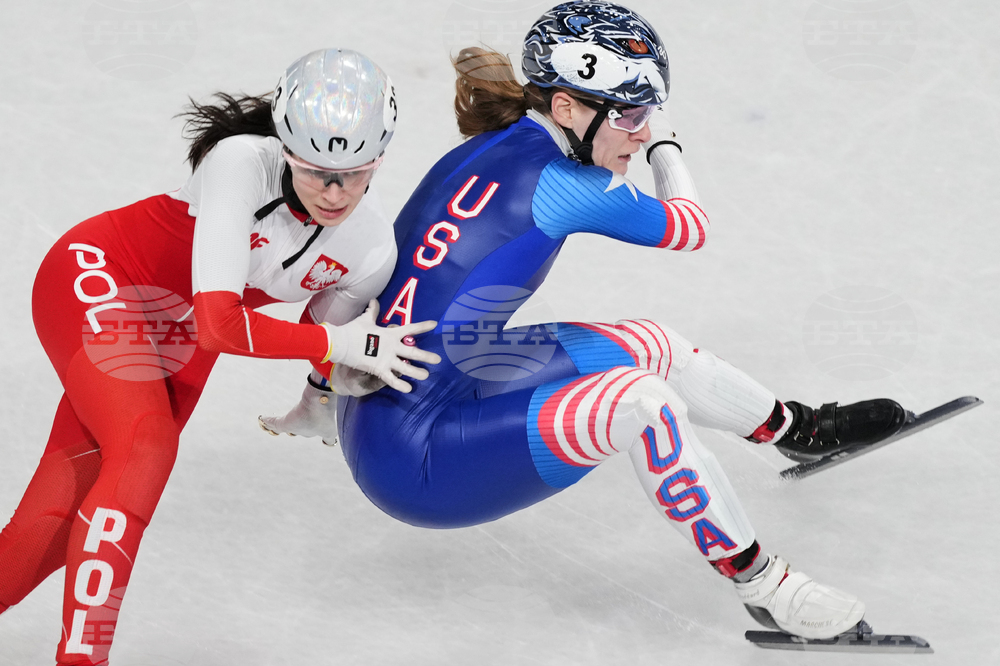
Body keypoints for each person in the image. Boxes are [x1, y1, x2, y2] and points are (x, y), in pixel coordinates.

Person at [262, 1, 907, 641]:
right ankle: (766, 586)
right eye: (629, 113)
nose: (638, 128)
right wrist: (667, 142)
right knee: (645, 404)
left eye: (645, 114)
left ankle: (798, 430)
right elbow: (690, 226)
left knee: (652, 345)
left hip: (406, 394)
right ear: (567, 108)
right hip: (414, 458)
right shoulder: (563, 183)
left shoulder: (499, 142)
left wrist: (322, 393)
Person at [0, 48, 438, 666]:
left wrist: (320, 398)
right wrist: (339, 344)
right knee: (147, 445)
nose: (335, 192)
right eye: (316, 171)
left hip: (170, 335)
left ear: (379, 159)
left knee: (68, 505)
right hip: (101, 275)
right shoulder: (241, 161)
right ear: (286, 148)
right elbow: (221, 326)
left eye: (356, 172)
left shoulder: (368, 254)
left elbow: (323, 352)